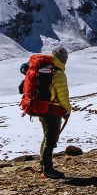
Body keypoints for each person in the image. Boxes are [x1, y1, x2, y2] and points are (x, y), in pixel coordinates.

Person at [18, 45, 72, 179]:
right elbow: (63, 97)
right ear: (63, 60)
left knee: (47, 137)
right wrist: (68, 109)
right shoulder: (58, 74)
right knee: (51, 139)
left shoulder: (44, 69)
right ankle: (48, 169)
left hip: (40, 108)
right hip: (52, 111)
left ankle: (43, 165)